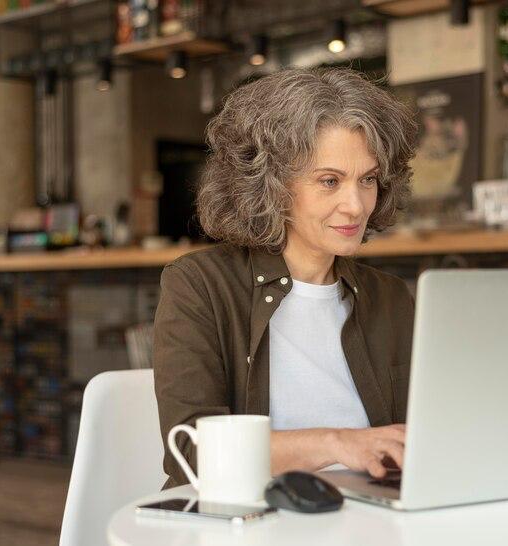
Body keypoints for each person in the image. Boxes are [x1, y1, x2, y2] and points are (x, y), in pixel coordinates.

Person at [153, 67, 419, 489]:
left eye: (367, 180)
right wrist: (336, 443)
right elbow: (194, 452)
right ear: (271, 186)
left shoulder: (389, 296)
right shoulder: (199, 285)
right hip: (249, 518)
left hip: (374, 519)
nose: (355, 205)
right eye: (329, 181)